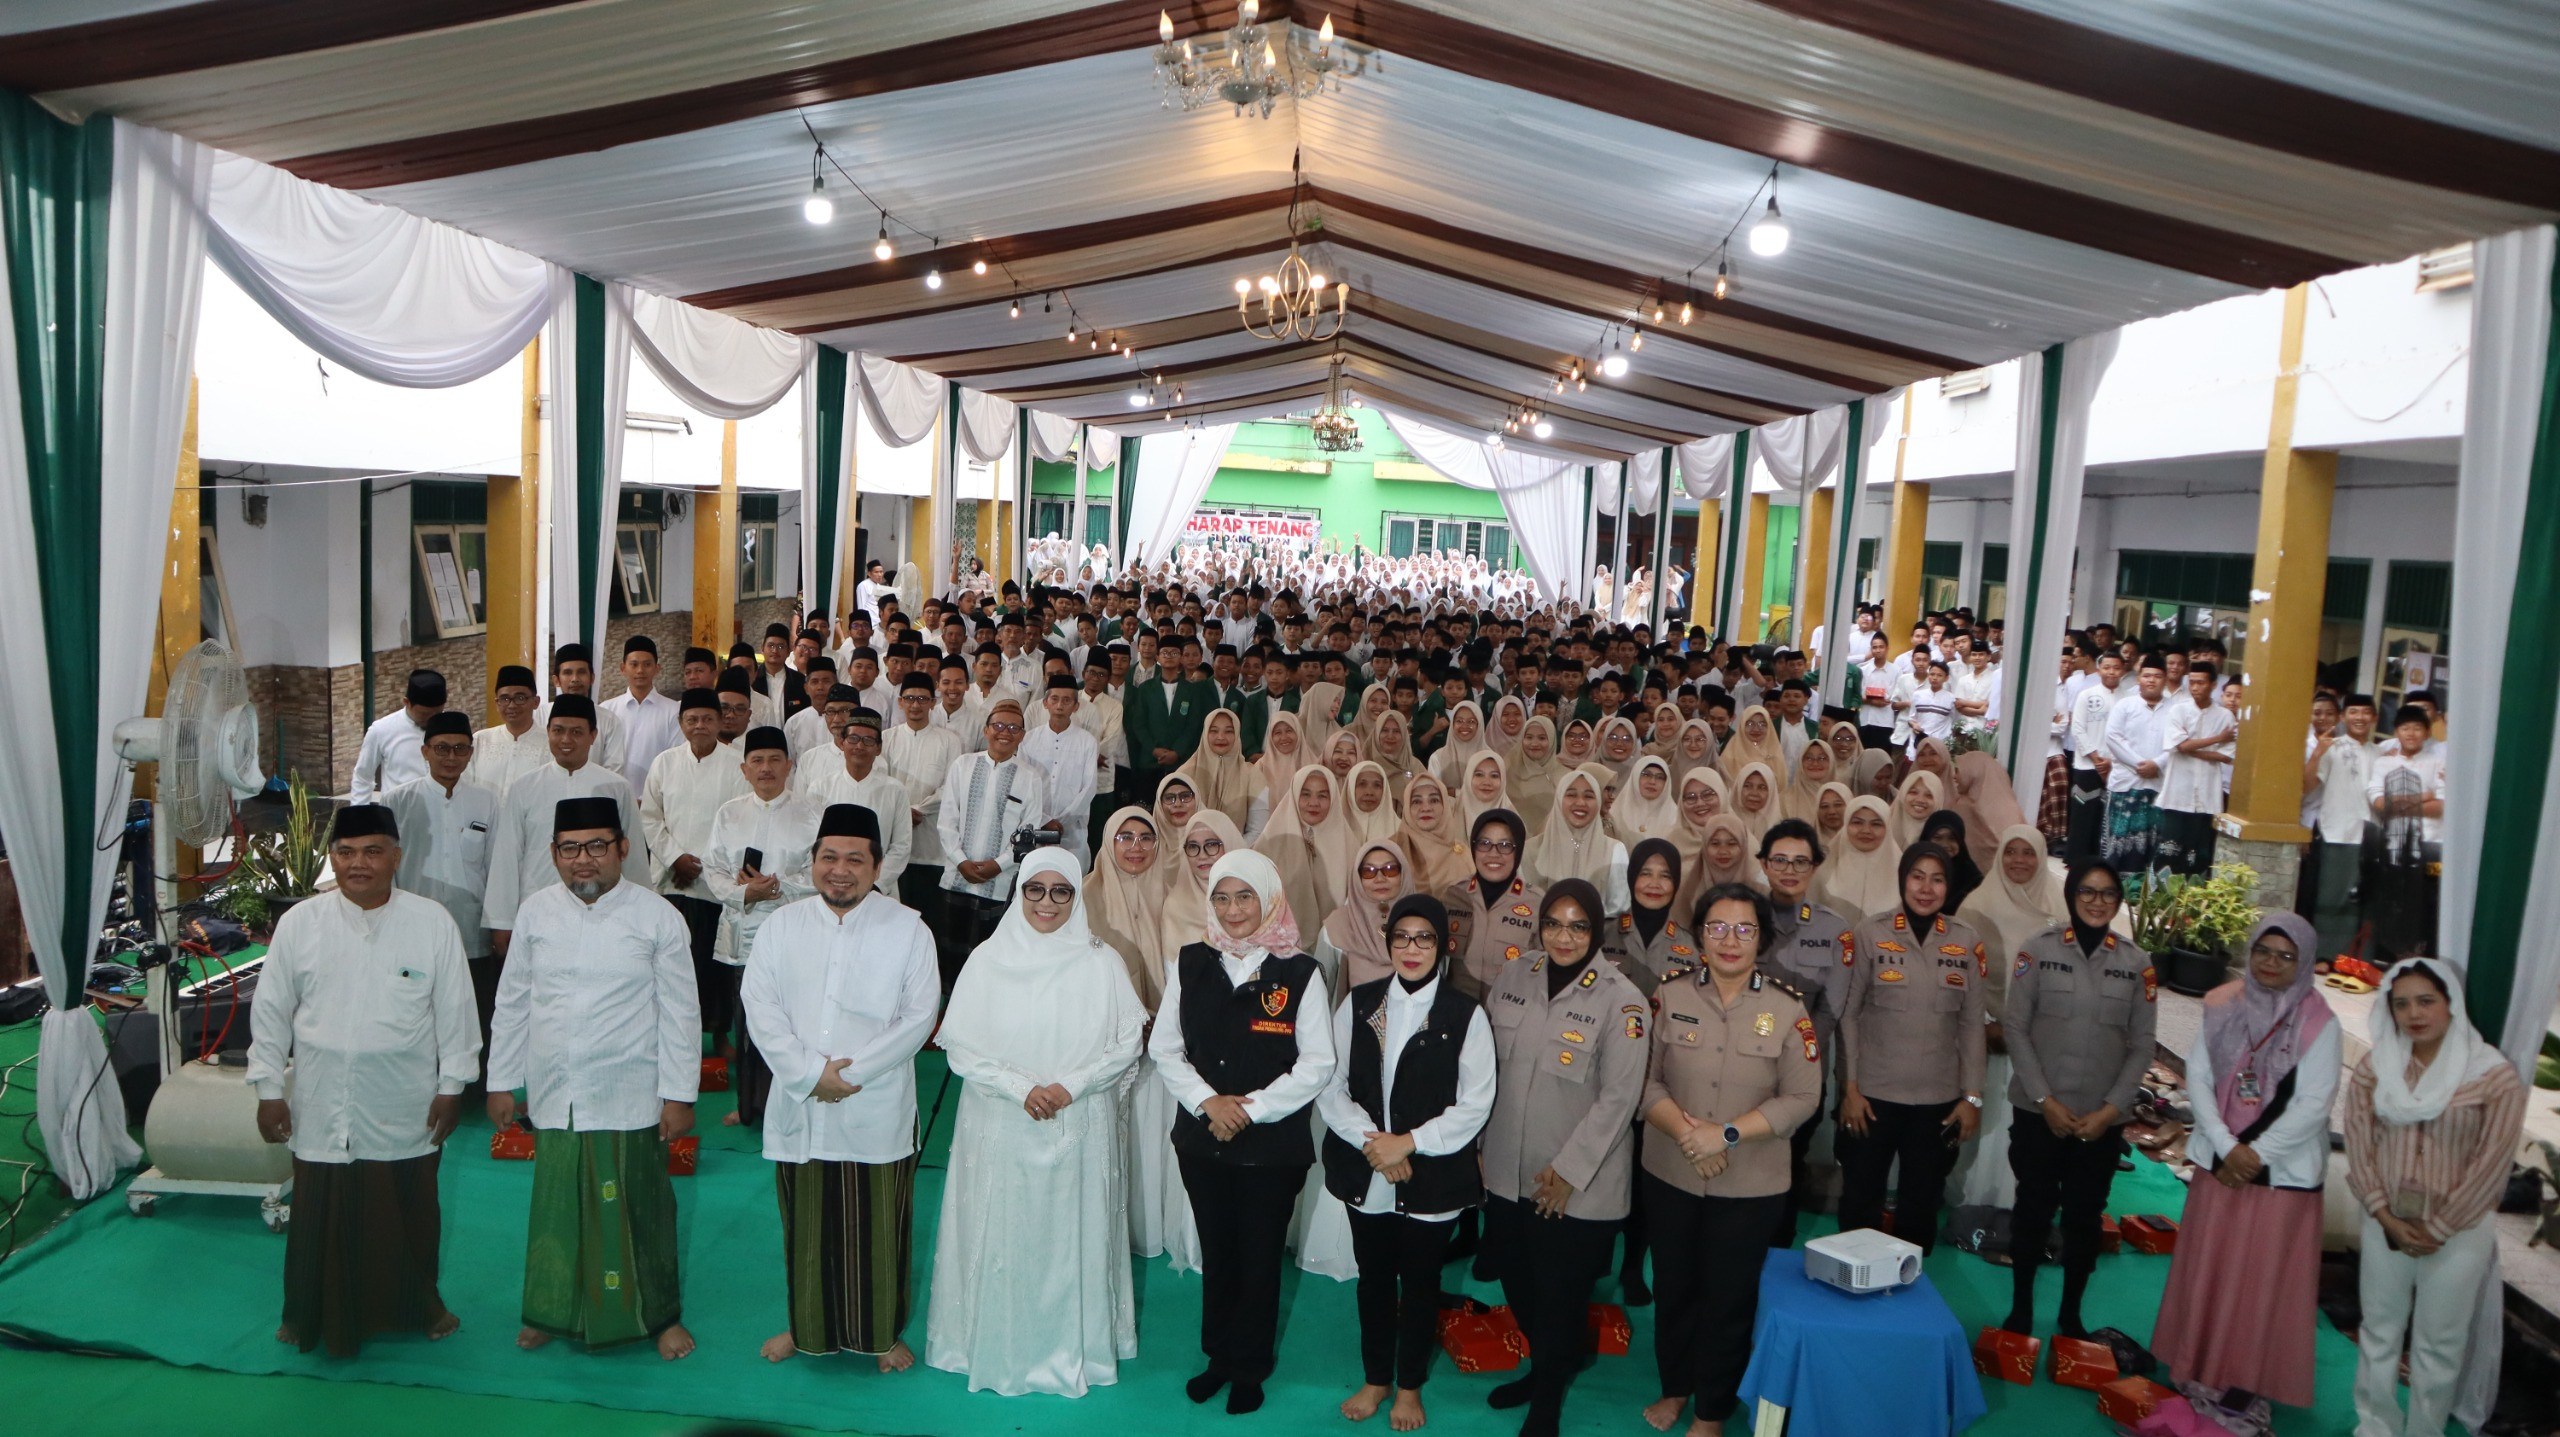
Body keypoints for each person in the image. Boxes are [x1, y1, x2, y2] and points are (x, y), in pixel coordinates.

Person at [248, 804, 478, 1356]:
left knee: (408, 1209)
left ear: (396, 857)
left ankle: (419, 1306)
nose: (359, 864)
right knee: (318, 1209)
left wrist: (453, 1087)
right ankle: (307, 1313)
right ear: (332, 858)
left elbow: (457, 1012)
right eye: (346, 853)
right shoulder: (301, 923)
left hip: (405, 1099)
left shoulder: (431, 922)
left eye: (373, 851)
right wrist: (268, 1091)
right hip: (322, 1097)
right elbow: (271, 1011)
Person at [485, 796, 700, 1359]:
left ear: (623, 850)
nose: (585, 859)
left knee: (642, 1208)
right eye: (571, 848)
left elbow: (681, 1014)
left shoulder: (658, 916)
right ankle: (552, 1311)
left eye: (598, 846)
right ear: (554, 854)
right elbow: (513, 1002)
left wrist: (679, 1095)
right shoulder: (534, 913)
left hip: (630, 1088)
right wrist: (501, 1079)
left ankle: (660, 1317)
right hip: (557, 1088)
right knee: (558, 1206)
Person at [928, 847, 1147, 1396]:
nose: (1047, 903)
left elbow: (1126, 1043)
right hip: (1002, 1122)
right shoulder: (986, 959)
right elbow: (961, 1050)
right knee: (1005, 1233)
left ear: (1077, 896)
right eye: (1035, 889)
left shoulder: (1102, 961)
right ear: (1018, 891)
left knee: (1071, 1231)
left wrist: (1069, 1087)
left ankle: (1071, 1348)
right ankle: (1000, 1347)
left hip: (1079, 1120)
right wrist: (1021, 1089)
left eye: (1061, 891)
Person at [740, 803, 942, 1372]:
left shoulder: (909, 929)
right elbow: (761, 1006)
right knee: (804, 1225)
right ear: (812, 862)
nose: (840, 869)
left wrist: (845, 1076)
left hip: (872, 1102)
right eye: (829, 856)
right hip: (800, 1099)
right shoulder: (782, 925)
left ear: (878, 867)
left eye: (856, 858)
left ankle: (880, 1334)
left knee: (878, 1227)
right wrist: (809, 1074)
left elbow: (918, 1016)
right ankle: (805, 1329)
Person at [1150, 849, 1337, 1415]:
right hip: (1202, 1138)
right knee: (1218, 1251)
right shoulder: (1190, 962)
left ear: (1270, 899)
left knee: (1259, 1257)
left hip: (1271, 1147)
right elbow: (1165, 1048)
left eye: (1245, 896)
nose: (1233, 910)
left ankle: (1251, 1367)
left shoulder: (1300, 971)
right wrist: (1209, 1102)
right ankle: (1219, 1358)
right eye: (1223, 897)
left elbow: (1317, 1063)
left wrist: (1250, 1109)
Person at [1639, 882, 1822, 1437]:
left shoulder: (1789, 1009)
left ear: (1763, 938)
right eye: (1717, 927)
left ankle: (1711, 1410)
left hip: (1750, 1184)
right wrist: (1689, 1134)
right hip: (1671, 1169)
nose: (1730, 940)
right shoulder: (1666, 996)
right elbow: (1641, 1082)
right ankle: (1674, 1386)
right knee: (1673, 1288)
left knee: (1728, 1299)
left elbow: (1803, 1097)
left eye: (1745, 929)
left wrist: (1729, 1135)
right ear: (1698, 936)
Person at [1478, 878, 1649, 1437]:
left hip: (1577, 1184)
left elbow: (1620, 1100)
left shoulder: (1622, 1000)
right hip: (1506, 1171)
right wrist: (1479, 1147)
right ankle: (1545, 1367)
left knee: (1560, 1296)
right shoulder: (1513, 976)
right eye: (1553, 923)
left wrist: (1569, 1173)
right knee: (1517, 1281)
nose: (1564, 936)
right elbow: (1482, 1070)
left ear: (1595, 930)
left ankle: (1547, 1399)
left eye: (1578, 925)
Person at [1319, 893, 1496, 1433]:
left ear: (1443, 945)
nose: (1412, 949)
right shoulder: (1359, 1002)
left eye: (1424, 938)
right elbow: (1331, 1082)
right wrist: (1377, 1145)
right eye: (1402, 937)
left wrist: (1411, 1143)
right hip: (1367, 1168)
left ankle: (1411, 1386)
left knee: (1420, 1284)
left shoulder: (1466, 1013)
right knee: (1373, 1279)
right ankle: (1376, 1379)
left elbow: (1476, 1102)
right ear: (1388, 942)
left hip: (1433, 1174)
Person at [2151, 913, 2341, 1410]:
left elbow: (2314, 1104)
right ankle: (2194, 1363)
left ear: (2302, 963)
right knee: (2210, 1269)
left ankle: (2243, 1378)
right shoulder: (2222, 1005)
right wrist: (2223, 1143)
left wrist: (2252, 1155)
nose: (2272, 963)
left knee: (2259, 1283)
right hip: (2222, 1165)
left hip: (2281, 1178)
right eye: (2263, 951)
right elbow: (2197, 1074)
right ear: (2250, 952)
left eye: (2286, 955)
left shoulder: (2320, 1021)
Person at [2345, 957, 2528, 1437]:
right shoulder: (2376, 1066)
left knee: (2439, 1344)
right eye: (2401, 1004)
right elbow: (2360, 1144)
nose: (2414, 1014)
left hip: (2459, 1232)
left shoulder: (2494, 1076)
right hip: (2385, 1220)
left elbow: (2492, 1165)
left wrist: (2438, 1228)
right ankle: (2375, 1425)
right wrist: (2383, 1213)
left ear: (2452, 1003)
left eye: (2426, 1000)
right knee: (2380, 1331)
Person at [1997, 860, 2154, 1338]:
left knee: (2085, 1220)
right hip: (2039, 1114)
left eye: (2107, 893)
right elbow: (2016, 1029)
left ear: (2118, 902)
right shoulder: (2037, 951)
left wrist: (2109, 1112)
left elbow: (2142, 1045)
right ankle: (2021, 1309)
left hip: (2100, 1122)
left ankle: (2070, 1316)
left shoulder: (2136, 963)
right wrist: (2044, 1100)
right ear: (2071, 895)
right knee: (2032, 1212)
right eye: (2087, 891)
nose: (2096, 900)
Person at [1835, 845, 1987, 1253]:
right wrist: (1849, 1088)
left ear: (1949, 886)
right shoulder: (1870, 933)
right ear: (1903, 879)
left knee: (1920, 1205)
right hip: (1872, 1097)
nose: (1926, 887)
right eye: (1917, 876)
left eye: (1937, 879)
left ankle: (1907, 1292)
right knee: (1859, 1199)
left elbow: (1973, 1024)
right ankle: (1852, 1290)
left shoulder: (1967, 942)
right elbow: (1848, 1016)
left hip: (1937, 1102)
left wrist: (1972, 1096)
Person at [704, 727, 823, 1125]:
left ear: (789, 766)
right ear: (744, 768)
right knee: (748, 1024)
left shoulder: (812, 813)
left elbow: (819, 873)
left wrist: (773, 888)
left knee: (790, 1025)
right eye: (757, 760)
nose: (766, 768)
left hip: (792, 934)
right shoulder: (729, 812)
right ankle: (750, 1106)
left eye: (774, 759)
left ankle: (790, 1102)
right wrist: (745, 894)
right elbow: (714, 870)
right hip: (742, 933)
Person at [480, 694, 650, 959]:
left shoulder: (616, 787)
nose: (566, 740)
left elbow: (633, 854)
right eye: (558, 731)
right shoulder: (524, 787)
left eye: (576, 732)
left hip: (605, 909)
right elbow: (507, 855)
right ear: (547, 732)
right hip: (538, 909)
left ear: (593, 735)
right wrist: (501, 921)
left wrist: (640, 913)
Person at [379, 713, 498, 1077]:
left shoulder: (487, 801)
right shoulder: (397, 801)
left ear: (470, 753)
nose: (451, 757)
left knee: (473, 1007)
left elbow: (497, 868)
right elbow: (387, 868)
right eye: (442, 748)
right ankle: (419, 1078)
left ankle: (471, 1085)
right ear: (425, 752)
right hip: (412, 931)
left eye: (460, 749)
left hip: (472, 929)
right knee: (417, 1007)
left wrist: (497, 924)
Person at [1753, 820, 1854, 1245]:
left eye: (1800, 862)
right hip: (1746, 1069)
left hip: (1802, 1075)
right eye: (1779, 860)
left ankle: (1777, 1252)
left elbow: (1829, 1013)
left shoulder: (1835, 931)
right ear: (1763, 864)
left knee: (1788, 1171)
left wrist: (1790, 1053)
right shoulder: (1745, 919)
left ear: (1814, 867)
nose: (1789, 870)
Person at [639, 688, 749, 1057]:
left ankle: (718, 1035)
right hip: (672, 881)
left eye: (707, 719)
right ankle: (671, 1035)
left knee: (713, 963)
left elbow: (738, 824)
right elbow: (651, 818)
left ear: (720, 722)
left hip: (714, 882)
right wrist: (674, 858)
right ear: (681, 723)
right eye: (692, 719)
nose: (700, 725)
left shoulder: (737, 767)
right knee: (672, 962)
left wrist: (698, 864)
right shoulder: (664, 763)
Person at [936, 698, 1055, 980]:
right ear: (986, 730)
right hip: (956, 878)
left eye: (1014, 727)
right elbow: (946, 821)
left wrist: (998, 866)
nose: (1005, 732)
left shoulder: (1031, 778)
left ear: (1022, 736)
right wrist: (961, 861)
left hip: (999, 885)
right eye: (999, 725)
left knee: (989, 963)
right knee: (949, 961)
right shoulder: (962, 765)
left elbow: (1028, 834)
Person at [802, 708, 914, 896]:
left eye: (868, 740)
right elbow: (810, 843)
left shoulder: (895, 790)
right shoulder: (820, 788)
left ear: (878, 748)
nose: (859, 746)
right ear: (842, 742)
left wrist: (875, 884)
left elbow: (901, 846)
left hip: (878, 890)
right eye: (853, 739)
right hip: (831, 886)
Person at [1444, 809, 1544, 999]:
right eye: (1485, 843)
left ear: (1519, 849)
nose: (1493, 853)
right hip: (1459, 1015)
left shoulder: (1537, 903)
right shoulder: (1454, 895)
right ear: (1473, 848)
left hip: (1509, 1018)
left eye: (1505, 845)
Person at [1021, 675, 1101, 867]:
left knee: (1071, 881)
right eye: (1054, 699)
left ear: (1076, 706)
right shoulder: (1029, 739)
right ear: (1045, 703)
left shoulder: (1087, 741)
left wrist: (1062, 821)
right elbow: (1022, 783)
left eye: (1066, 700)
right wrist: (1044, 820)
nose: (1059, 706)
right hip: (1035, 823)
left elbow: (1089, 787)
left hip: (1073, 830)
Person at [2100, 655, 2170, 873]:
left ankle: (2143, 889)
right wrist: (2140, 765)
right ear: (2138, 678)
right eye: (2147, 675)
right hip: (2125, 782)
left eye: (2157, 676)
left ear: (2165, 680)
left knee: (2152, 839)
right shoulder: (2125, 705)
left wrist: (2156, 764)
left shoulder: (2176, 709)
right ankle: (2115, 883)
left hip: (2158, 785)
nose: (2151, 680)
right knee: (2118, 838)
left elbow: (2177, 744)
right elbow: (2113, 737)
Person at [349, 668, 446, 803]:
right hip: (397, 816)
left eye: (437, 713)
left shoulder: (452, 728)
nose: (431, 720)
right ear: (406, 702)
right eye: (424, 714)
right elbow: (362, 777)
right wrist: (359, 816)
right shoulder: (382, 729)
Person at [601, 634, 684, 786]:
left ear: (657, 668)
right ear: (623, 668)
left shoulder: (673, 711)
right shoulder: (606, 710)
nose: (640, 670)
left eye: (647, 664)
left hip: (657, 799)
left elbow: (675, 759)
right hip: (613, 797)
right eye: (634, 664)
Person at [537, 642, 628, 774]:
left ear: (592, 678)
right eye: (567, 673)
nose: (575, 679)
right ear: (556, 680)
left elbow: (614, 770)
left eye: (581, 672)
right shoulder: (539, 716)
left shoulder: (609, 720)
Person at [469, 665, 550, 796]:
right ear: (497, 703)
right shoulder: (480, 740)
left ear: (535, 702)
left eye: (520, 698)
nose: (512, 705)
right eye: (505, 699)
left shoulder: (551, 743)